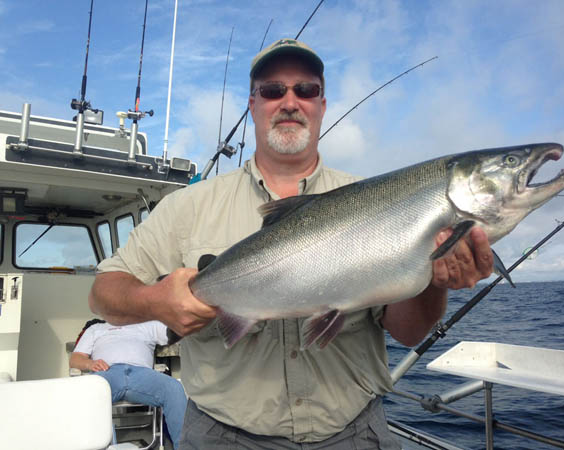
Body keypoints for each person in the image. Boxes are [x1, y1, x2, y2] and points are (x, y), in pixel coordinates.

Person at [88, 38, 493, 449]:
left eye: (306, 90)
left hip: (353, 434)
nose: (289, 101)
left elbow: (408, 334)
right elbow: (103, 294)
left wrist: (436, 279)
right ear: (252, 104)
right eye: (272, 90)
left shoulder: (376, 200)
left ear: (322, 105)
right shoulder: (187, 206)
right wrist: (157, 301)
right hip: (222, 437)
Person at [69, 319, 187, 449]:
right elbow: (75, 359)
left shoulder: (148, 325)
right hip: (108, 373)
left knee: (173, 388)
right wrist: (90, 364)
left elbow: (177, 331)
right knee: (85, 394)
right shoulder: (95, 329)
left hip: (142, 374)